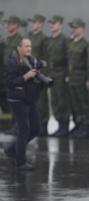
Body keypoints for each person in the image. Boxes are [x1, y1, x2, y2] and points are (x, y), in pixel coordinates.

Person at [4, 38, 45, 171]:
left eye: (30, 46)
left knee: (37, 129)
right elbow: (9, 83)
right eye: (26, 46)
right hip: (17, 100)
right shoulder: (12, 61)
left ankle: (11, 149)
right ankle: (20, 162)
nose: (29, 49)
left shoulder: (31, 60)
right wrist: (26, 77)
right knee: (24, 129)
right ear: (19, 47)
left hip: (29, 98)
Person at [46, 15, 71, 137]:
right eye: (51, 23)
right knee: (54, 100)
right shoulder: (49, 40)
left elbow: (68, 59)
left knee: (62, 100)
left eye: (54, 23)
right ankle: (59, 124)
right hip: (52, 73)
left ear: (60, 24)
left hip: (61, 73)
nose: (52, 25)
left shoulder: (64, 40)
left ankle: (64, 126)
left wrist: (67, 74)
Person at [67, 18, 89, 139]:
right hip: (72, 78)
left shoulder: (85, 44)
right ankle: (78, 124)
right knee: (74, 104)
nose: (73, 29)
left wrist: (88, 78)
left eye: (75, 27)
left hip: (81, 77)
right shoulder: (72, 43)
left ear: (81, 29)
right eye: (72, 27)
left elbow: (88, 63)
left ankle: (85, 127)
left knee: (83, 104)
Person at [28, 14, 49, 136]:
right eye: (32, 21)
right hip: (29, 73)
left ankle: (44, 125)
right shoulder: (29, 37)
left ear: (41, 23)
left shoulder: (44, 39)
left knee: (42, 101)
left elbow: (46, 57)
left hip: (39, 73)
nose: (33, 24)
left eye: (35, 22)